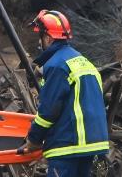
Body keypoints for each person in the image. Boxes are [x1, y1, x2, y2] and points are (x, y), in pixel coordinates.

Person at [17, 10, 109, 177]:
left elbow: (48, 111)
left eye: (40, 38)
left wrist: (33, 140)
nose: (40, 44)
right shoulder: (83, 61)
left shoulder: (57, 65)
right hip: (92, 143)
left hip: (69, 144)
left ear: (48, 38)